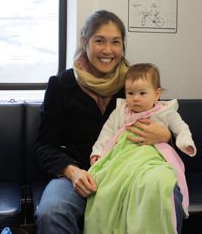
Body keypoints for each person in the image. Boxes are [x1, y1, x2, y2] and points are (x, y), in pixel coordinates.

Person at [33, 10, 176, 234]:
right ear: (84, 42)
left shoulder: (135, 82)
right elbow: (44, 146)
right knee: (51, 211)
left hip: (129, 174)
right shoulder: (60, 86)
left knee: (167, 193)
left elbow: (169, 122)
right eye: (100, 41)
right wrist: (72, 172)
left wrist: (166, 135)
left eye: (115, 42)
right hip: (78, 175)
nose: (108, 50)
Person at [84, 63, 196, 234]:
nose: (135, 98)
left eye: (142, 93)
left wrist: (185, 143)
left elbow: (181, 128)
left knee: (162, 181)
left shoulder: (165, 112)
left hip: (153, 157)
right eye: (130, 93)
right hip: (122, 157)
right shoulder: (121, 112)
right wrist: (97, 153)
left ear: (157, 94)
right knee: (106, 186)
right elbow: (106, 134)